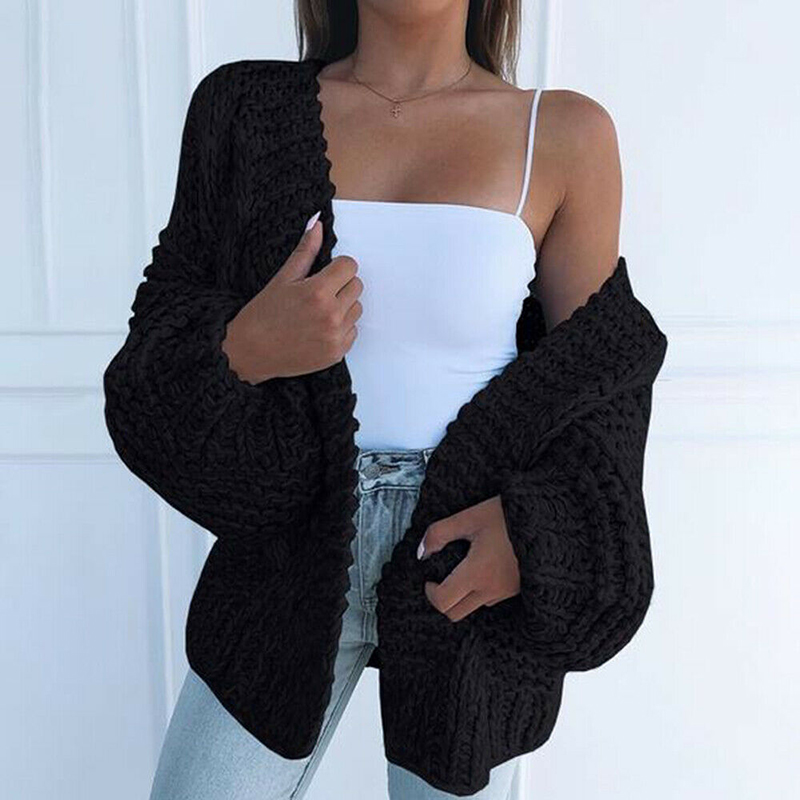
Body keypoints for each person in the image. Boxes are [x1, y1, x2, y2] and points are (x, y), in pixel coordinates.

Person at [146, 1, 626, 798]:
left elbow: (601, 388)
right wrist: (246, 347)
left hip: (467, 553)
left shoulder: (566, 133)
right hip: (289, 546)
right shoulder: (244, 111)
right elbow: (158, 344)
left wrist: (533, 533)